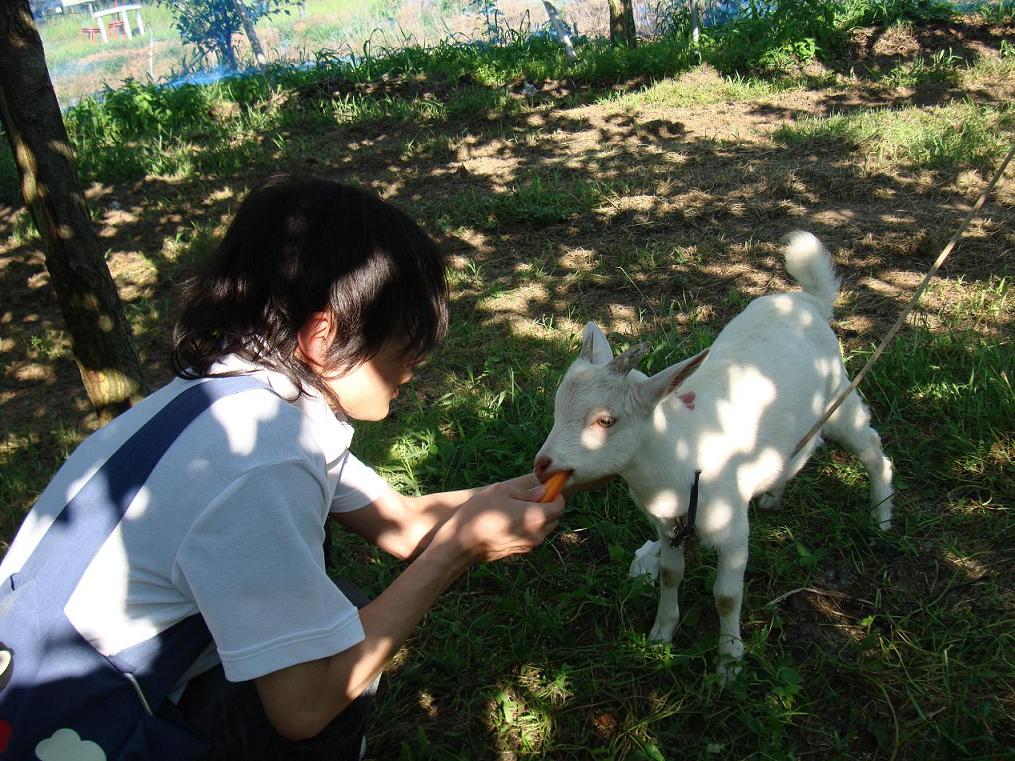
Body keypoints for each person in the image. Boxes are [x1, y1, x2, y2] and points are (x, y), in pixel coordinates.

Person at [0, 173, 565, 760]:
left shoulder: (231, 402)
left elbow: (401, 524)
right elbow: (303, 708)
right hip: (69, 736)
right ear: (324, 335)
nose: (416, 364)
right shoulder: (262, 460)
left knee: (334, 613)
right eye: (407, 341)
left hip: (34, 692)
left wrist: (540, 481)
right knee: (332, 657)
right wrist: (455, 554)